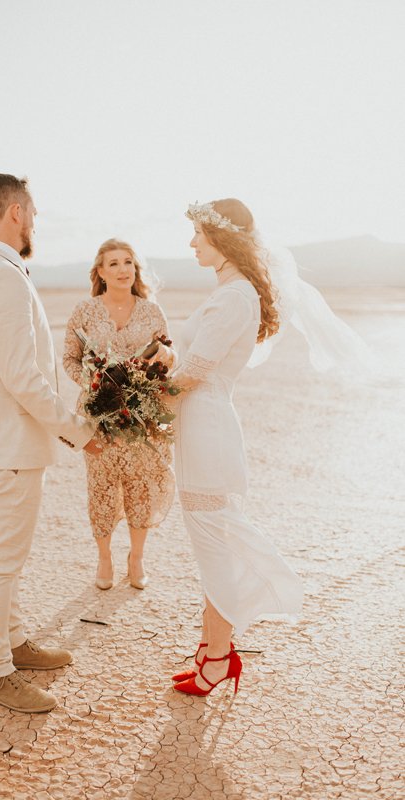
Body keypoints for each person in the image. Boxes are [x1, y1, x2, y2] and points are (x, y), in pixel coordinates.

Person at [0, 174, 102, 714]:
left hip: (6, 441)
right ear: (16, 212)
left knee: (9, 557)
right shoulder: (0, 276)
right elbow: (23, 377)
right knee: (1, 560)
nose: (36, 222)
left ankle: (14, 644)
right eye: (34, 212)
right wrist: (77, 431)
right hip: (9, 443)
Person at [170, 199, 303, 697]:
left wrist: (131, 402)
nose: (192, 243)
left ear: (221, 239)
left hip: (207, 428)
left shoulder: (235, 297)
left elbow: (193, 372)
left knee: (215, 546)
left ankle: (220, 657)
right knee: (211, 545)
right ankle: (211, 649)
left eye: (198, 234)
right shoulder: (230, 292)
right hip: (197, 426)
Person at [63, 238, 176, 590]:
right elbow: (69, 359)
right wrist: (97, 382)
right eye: (113, 263)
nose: (122, 269)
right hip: (98, 416)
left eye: (128, 262)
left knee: (140, 486)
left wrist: (165, 361)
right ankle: (104, 557)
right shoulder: (84, 311)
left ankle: (137, 558)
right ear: (100, 272)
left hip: (142, 416)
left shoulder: (152, 312)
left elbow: (167, 356)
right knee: (101, 486)